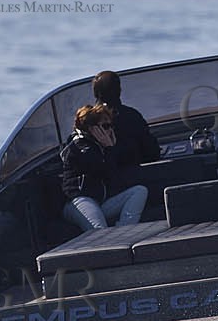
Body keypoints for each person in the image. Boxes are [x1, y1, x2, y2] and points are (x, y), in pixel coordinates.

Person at [60, 104, 149, 232]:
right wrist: (109, 148)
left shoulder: (101, 146)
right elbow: (99, 168)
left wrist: (111, 148)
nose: (110, 131)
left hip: (100, 200)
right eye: (106, 126)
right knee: (100, 231)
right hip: (80, 200)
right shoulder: (79, 146)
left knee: (139, 191)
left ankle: (125, 232)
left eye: (111, 125)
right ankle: (110, 244)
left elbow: (115, 174)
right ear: (92, 128)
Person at [93, 70, 160, 169]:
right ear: (119, 90)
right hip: (131, 175)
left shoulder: (88, 120)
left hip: (102, 179)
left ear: (95, 93)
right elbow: (151, 152)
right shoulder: (132, 116)